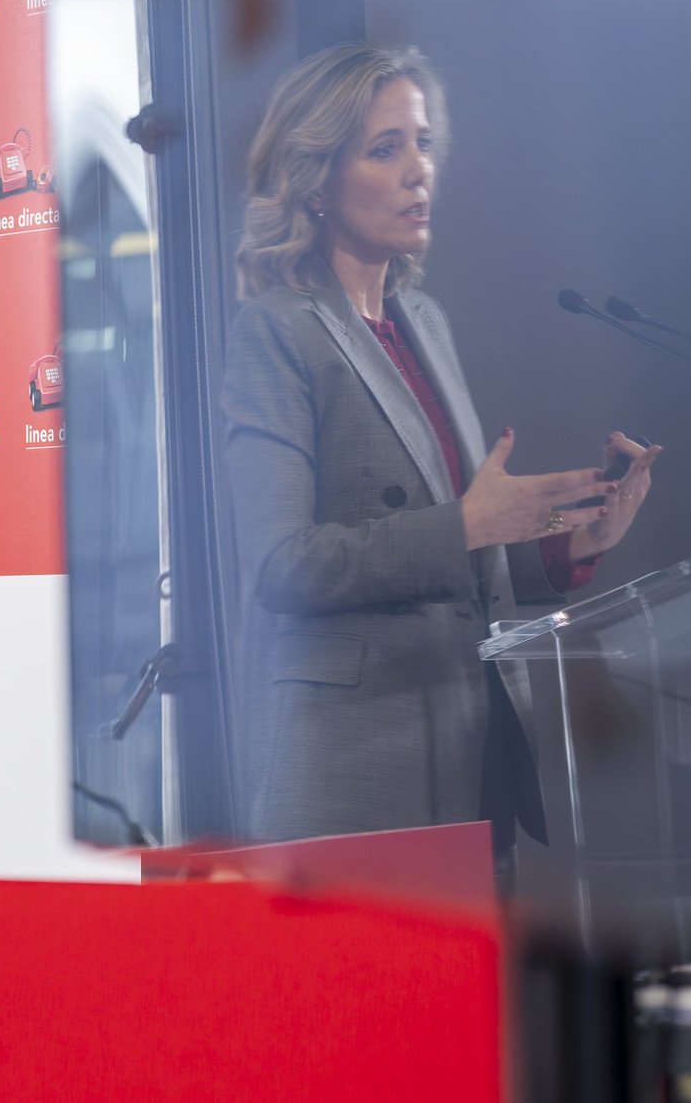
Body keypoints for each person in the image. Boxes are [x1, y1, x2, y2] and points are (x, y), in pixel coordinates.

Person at [223, 42, 659, 862]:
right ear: (318, 179)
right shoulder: (276, 331)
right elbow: (283, 565)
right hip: (357, 772)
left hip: (467, 742)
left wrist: (570, 543)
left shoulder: (423, 322)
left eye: (422, 142)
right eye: (385, 149)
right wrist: (464, 524)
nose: (419, 169)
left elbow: (464, 559)